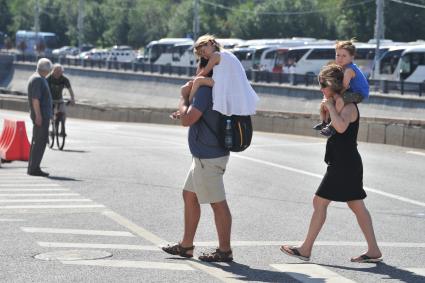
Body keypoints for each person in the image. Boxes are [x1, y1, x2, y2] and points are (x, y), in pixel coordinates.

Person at [281, 63, 382, 263]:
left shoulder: (349, 106)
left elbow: (342, 127)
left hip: (344, 163)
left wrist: (329, 107)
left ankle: (305, 248)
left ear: (334, 85)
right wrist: (326, 108)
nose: (321, 89)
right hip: (343, 160)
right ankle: (373, 250)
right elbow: (326, 128)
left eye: (323, 85)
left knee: (319, 201)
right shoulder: (338, 103)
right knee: (356, 205)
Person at [161, 86, 233, 262]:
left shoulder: (205, 90)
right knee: (189, 195)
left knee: (217, 202)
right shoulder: (213, 87)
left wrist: (183, 98)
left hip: (208, 157)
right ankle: (186, 245)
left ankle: (225, 250)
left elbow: (188, 120)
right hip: (205, 155)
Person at [187, 34, 258, 116]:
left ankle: (188, 104)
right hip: (231, 85)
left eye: (203, 51)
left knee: (198, 81)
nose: (204, 56)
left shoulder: (215, 55)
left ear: (210, 43)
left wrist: (192, 81)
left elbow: (203, 73)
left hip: (224, 84)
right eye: (201, 55)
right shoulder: (227, 53)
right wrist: (203, 57)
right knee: (198, 80)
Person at [314, 40, 369, 137]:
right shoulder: (342, 67)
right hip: (351, 91)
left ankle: (331, 126)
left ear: (351, 57)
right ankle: (324, 122)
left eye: (344, 56)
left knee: (339, 100)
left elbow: (343, 87)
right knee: (325, 101)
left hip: (359, 94)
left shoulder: (349, 70)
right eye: (338, 55)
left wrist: (335, 96)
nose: (340, 58)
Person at [27, 58, 53, 177]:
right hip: (41, 116)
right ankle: (34, 168)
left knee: (38, 141)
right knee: (40, 142)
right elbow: (35, 99)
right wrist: (38, 116)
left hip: (42, 115)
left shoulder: (38, 78)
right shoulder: (38, 79)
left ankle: (32, 167)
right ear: (46, 69)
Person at [46, 63, 75, 134]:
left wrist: (72, 99)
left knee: (64, 113)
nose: (58, 74)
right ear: (52, 71)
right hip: (49, 99)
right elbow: (43, 90)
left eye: (60, 72)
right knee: (48, 114)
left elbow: (70, 90)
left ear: (62, 72)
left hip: (59, 99)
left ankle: (62, 129)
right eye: (56, 71)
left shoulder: (64, 79)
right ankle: (49, 128)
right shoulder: (48, 78)